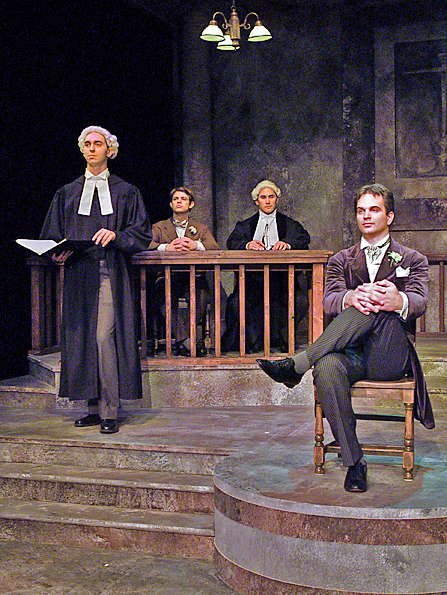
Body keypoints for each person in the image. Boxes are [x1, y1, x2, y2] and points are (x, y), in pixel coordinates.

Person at [257, 183, 434, 492]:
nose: (366, 216)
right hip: (350, 350)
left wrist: (398, 300)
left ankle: (297, 365)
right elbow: (329, 301)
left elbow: (420, 302)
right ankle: (354, 462)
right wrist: (351, 296)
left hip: (389, 354)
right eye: (361, 210)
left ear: (389, 216)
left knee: (375, 299)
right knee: (326, 368)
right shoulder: (341, 259)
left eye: (374, 209)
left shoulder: (412, 258)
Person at [40, 126, 152, 434]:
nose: (92, 149)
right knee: (82, 338)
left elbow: (142, 234)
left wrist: (116, 235)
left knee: (104, 337)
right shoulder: (67, 192)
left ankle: (109, 410)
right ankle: (91, 406)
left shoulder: (125, 191)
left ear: (109, 150)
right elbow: (51, 235)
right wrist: (55, 253)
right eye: (87, 144)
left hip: (108, 270)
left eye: (98, 144)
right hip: (78, 273)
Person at [222, 180, 310, 353]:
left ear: (277, 199)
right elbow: (231, 242)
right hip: (252, 282)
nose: (267, 201)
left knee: (300, 301)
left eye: (271, 197)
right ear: (257, 201)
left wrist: (288, 244)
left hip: (283, 281)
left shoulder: (289, 224)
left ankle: (284, 339)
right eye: (263, 197)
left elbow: (303, 238)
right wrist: (247, 245)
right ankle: (251, 341)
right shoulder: (245, 225)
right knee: (236, 303)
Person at [149, 187, 219, 356]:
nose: (179, 201)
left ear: (191, 204)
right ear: (171, 204)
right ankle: (189, 342)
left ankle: (185, 341)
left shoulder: (200, 228)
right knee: (165, 299)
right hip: (168, 276)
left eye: (183, 199)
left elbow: (214, 246)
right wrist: (167, 247)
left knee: (200, 297)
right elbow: (147, 245)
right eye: (176, 199)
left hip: (193, 276)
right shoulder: (159, 227)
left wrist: (197, 245)